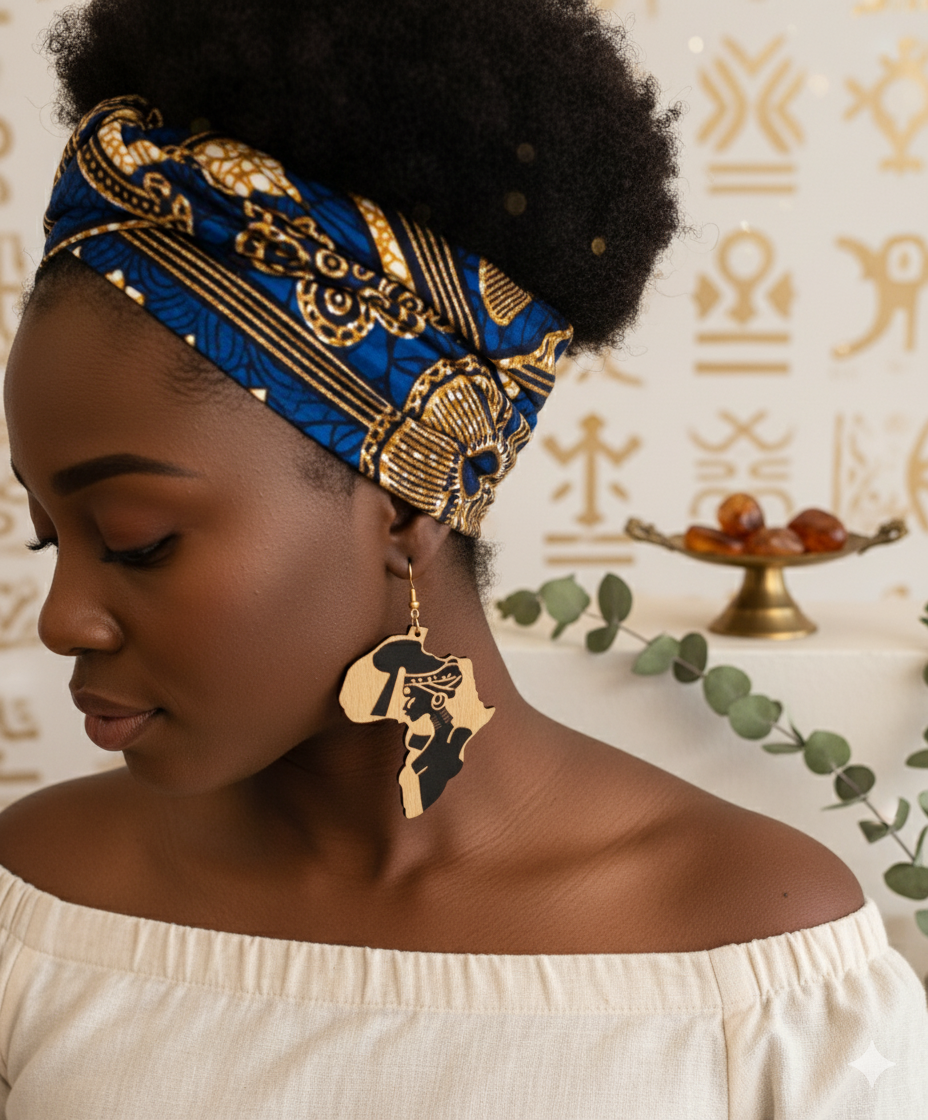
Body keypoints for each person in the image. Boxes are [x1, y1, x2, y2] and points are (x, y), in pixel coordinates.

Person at [0, 1, 925, 1115]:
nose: (61, 619)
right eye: (52, 534)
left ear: (404, 500)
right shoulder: (33, 917)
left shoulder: (754, 979)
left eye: (138, 542)